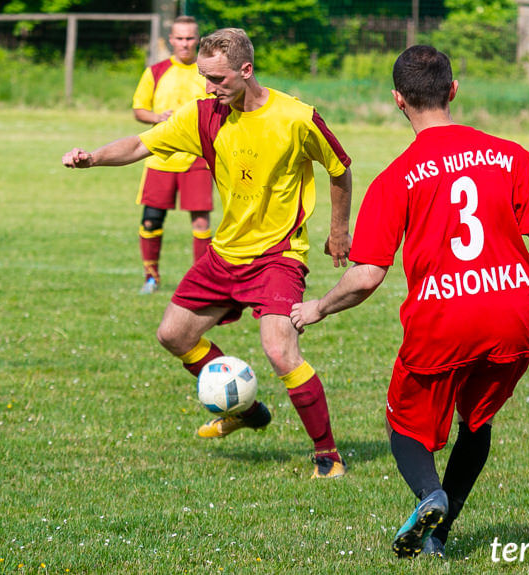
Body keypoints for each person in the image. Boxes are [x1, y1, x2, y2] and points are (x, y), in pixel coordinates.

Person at [290, 45, 529, 557]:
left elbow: (369, 274)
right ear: (454, 90)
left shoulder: (396, 177)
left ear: (399, 100)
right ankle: (439, 534)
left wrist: (317, 307)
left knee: (404, 426)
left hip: (445, 317)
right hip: (517, 314)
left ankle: (430, 495)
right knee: (478, 421)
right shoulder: (513, 155)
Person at [63, 28, 353, 479]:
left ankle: (327, 454)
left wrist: (339, 231)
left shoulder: (296, 117)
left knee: (280, 351)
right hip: (224, 254)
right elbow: (142, 144)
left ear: (246, 70)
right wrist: (93, 158)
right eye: (203, 76)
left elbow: (339, 167)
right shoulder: (202, 116)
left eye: (217, 78)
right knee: (173, 335)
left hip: (278, 255)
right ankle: (248, 409)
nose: (208, 87)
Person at [132, 15, 212, 295]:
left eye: (190, 38)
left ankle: (202, 283)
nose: (185, 44)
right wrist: (157, 116)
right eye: (179, 38)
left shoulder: (208, 72)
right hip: (160, 157)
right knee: (151, 220)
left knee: (201, 222)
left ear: (198, 40)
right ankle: (151, 278)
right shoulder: (155, 72)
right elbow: (139, 110)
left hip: (197, 158)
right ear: (170, 40)